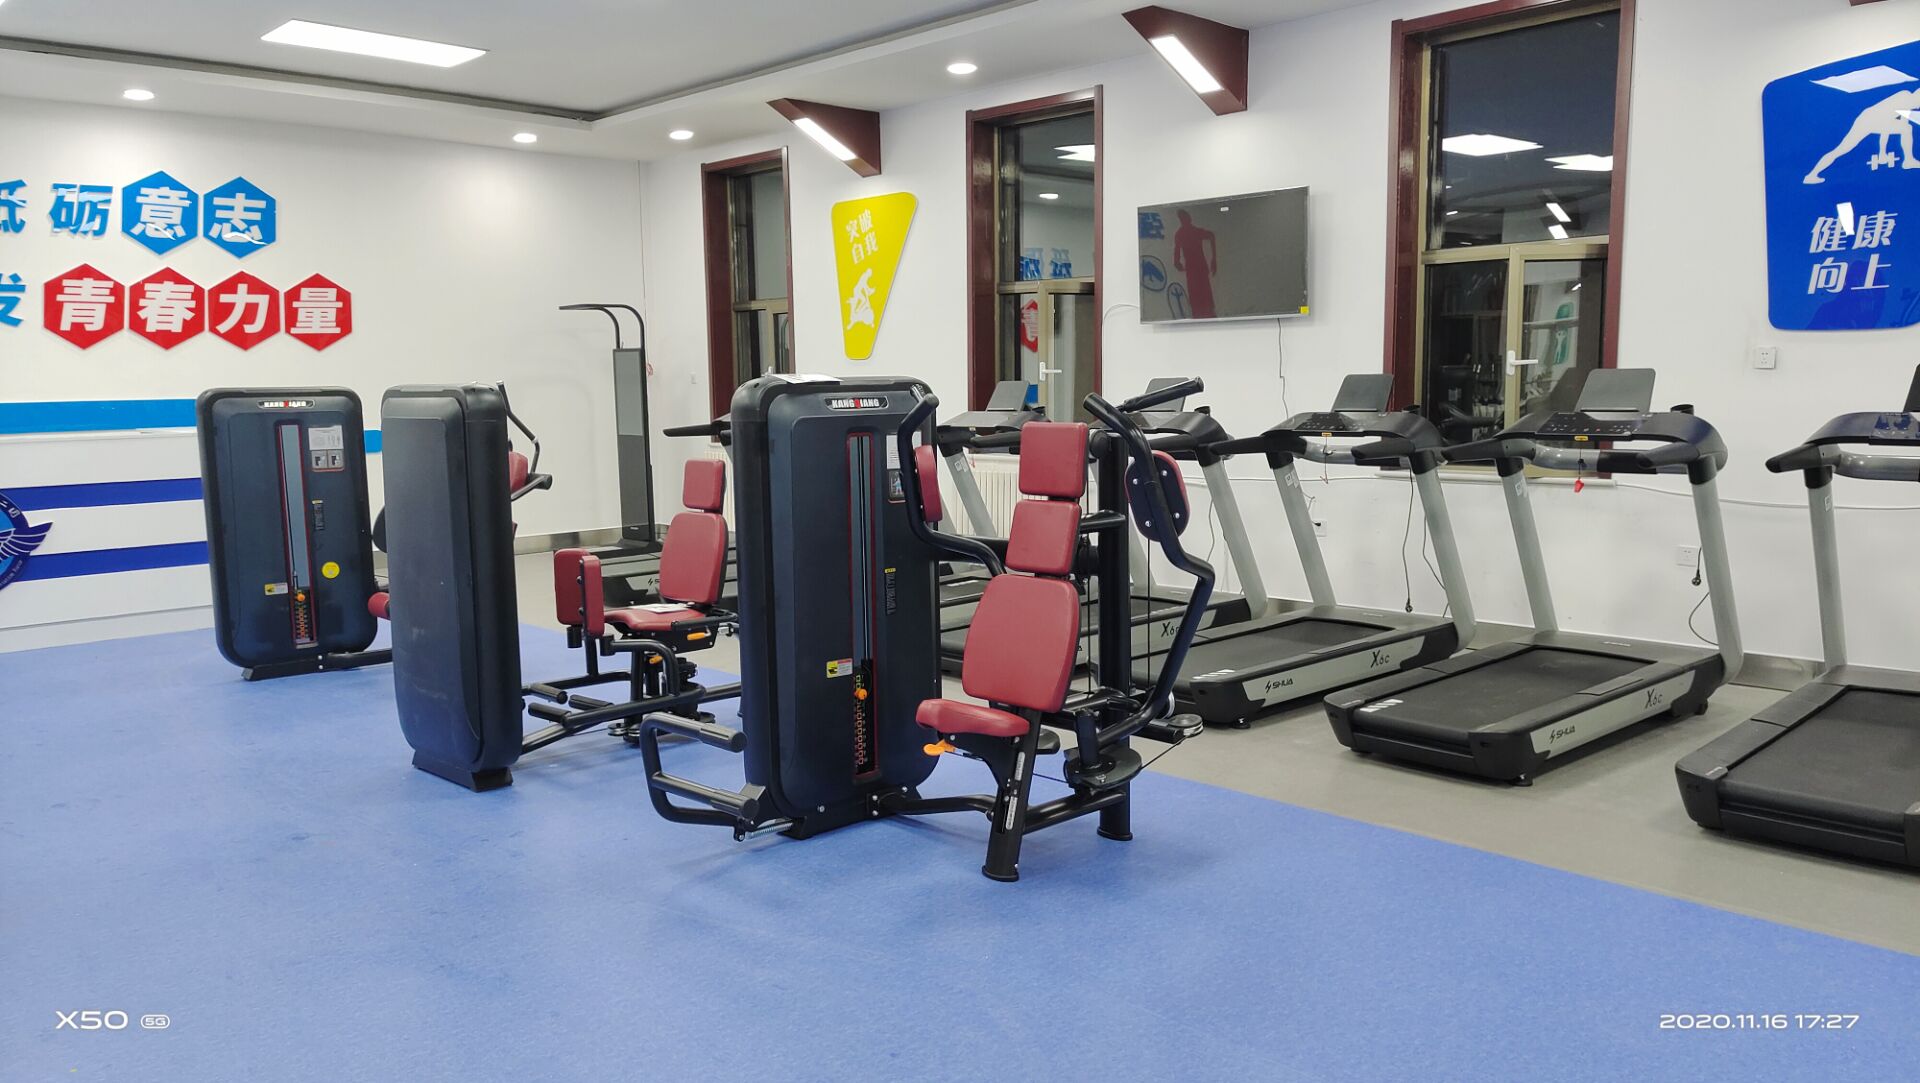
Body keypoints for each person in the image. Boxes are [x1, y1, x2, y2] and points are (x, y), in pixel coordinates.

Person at [1804, 88, 1920, 184]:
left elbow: (1888, 127)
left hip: (1869, 118)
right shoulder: (1904, 98)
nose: (1917, 107)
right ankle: (1811, 175)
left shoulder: (1906, 101)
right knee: (1841, 149)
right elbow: (1887, 125)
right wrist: (1882, 152)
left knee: (1906, 128)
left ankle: (1908, 160)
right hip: (1869, 120)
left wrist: (1882, 153)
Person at [1171, 210, 1218, 319]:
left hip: (1198, 268)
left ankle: (1205, 315)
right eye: (1183, 218)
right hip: (1193, 269)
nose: (1185, 220)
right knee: (1198, 299)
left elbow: (1211, 236)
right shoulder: (1183, 233)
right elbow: (1177, 252)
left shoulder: (1189, 232)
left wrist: (1214, 259)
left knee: (1203, 297)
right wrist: (1177, 261)